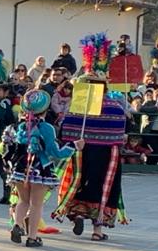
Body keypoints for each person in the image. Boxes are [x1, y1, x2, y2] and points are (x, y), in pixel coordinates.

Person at [53, 80, 130, 241]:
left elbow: (65, 131)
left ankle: (79, 216)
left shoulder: (78, 107)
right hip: (106, 155)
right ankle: (97, 230)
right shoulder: (114, 108)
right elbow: (122, 131)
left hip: (82, 152)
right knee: (104, 188)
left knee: (79, 182)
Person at [5, 89, 82, 247]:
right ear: (45, 110)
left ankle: (17, 225)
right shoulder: (47, 128)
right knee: (36, 204)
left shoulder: (19, 127)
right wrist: (74, 146)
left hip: (20, 168)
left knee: (23, 200)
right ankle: (32, 237)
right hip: (40, 168)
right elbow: (55, 152)